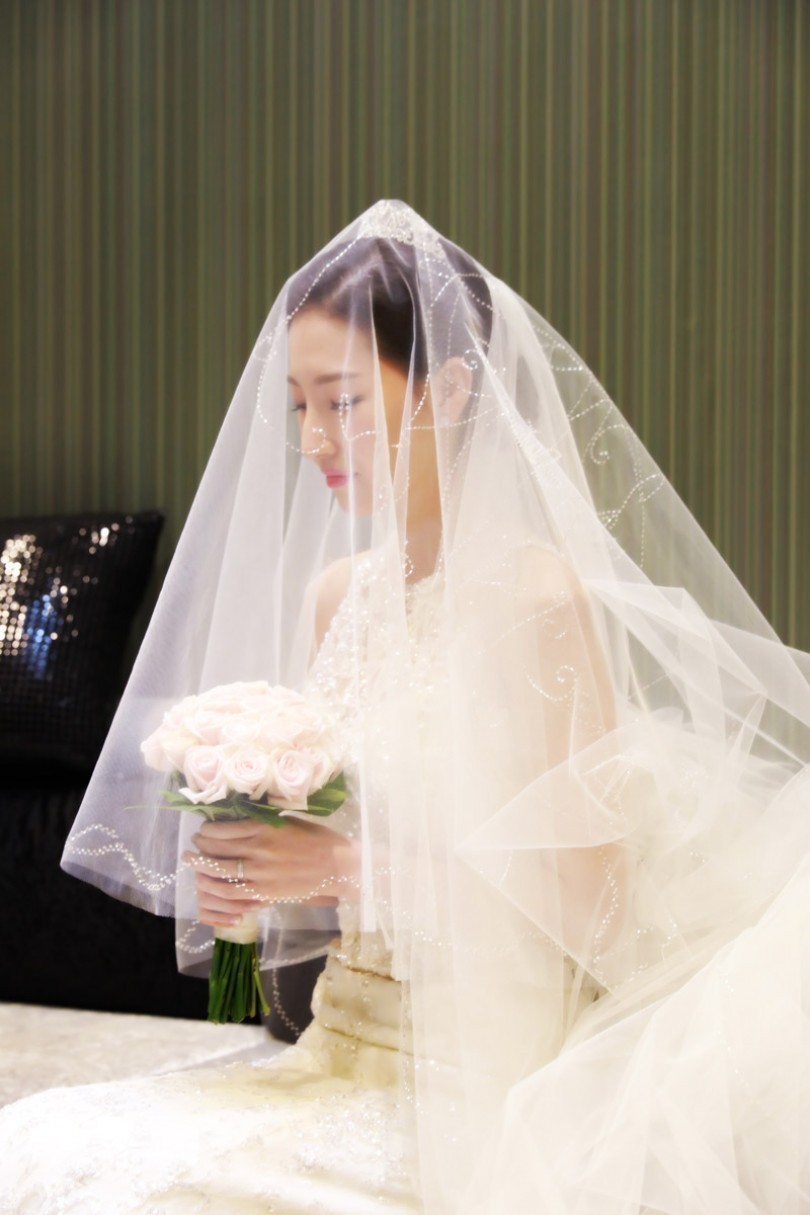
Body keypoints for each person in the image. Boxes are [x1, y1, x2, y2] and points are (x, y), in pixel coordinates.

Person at [1, 200, 809, 1213]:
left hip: (482, 1082)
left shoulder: (535, 601)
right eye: (298, 406)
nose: (313, 439)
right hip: (340, 1048)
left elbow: (595, 915)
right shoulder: (337, 599)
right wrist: (256, 881)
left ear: (452, 389)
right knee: (36, 1146)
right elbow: (333, 895)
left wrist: (346, 865)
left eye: (343, 401)